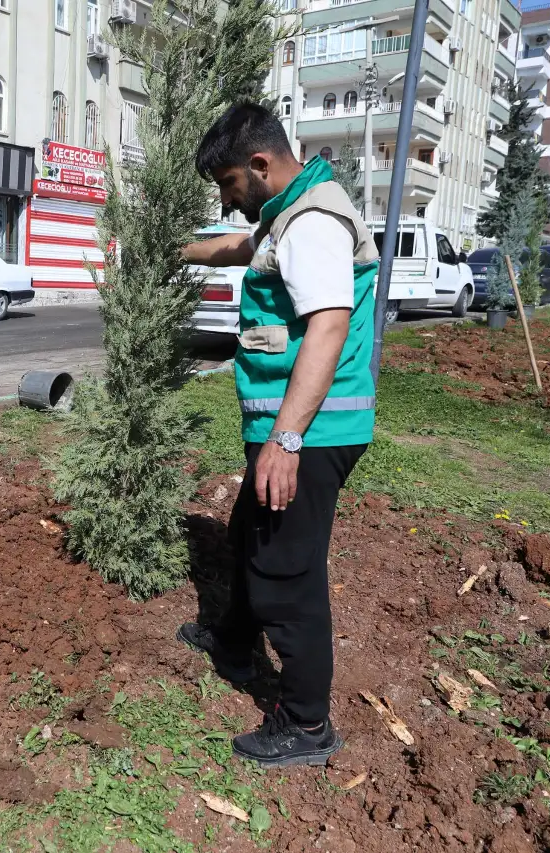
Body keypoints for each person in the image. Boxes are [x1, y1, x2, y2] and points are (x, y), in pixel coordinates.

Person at [177, 102, 379, 768]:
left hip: (313, 431)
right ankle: (234, 638)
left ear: (259, 165)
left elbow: (326, 325)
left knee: (285, 572)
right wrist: (176, 249)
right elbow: (244, 246)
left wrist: (286, 440)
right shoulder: (288, 213)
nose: (229, 202)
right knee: (248, 537)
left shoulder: (314, 223)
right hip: (296, 425)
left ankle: (306, 722)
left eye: (230, 185)